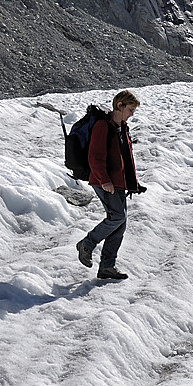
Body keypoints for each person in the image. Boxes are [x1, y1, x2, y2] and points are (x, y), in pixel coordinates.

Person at [76, 90, 145, 280]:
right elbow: (95, 157)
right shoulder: (102, 126)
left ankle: (107, 267)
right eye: (130, 109)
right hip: (104, 181)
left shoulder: (121, 126)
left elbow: (125, 157)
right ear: (120, 105)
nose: (132, 114)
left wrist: (134, 184)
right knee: (117, 217)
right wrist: (104, 179)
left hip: (118, 182)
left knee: (120, 224)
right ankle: (86, 244)